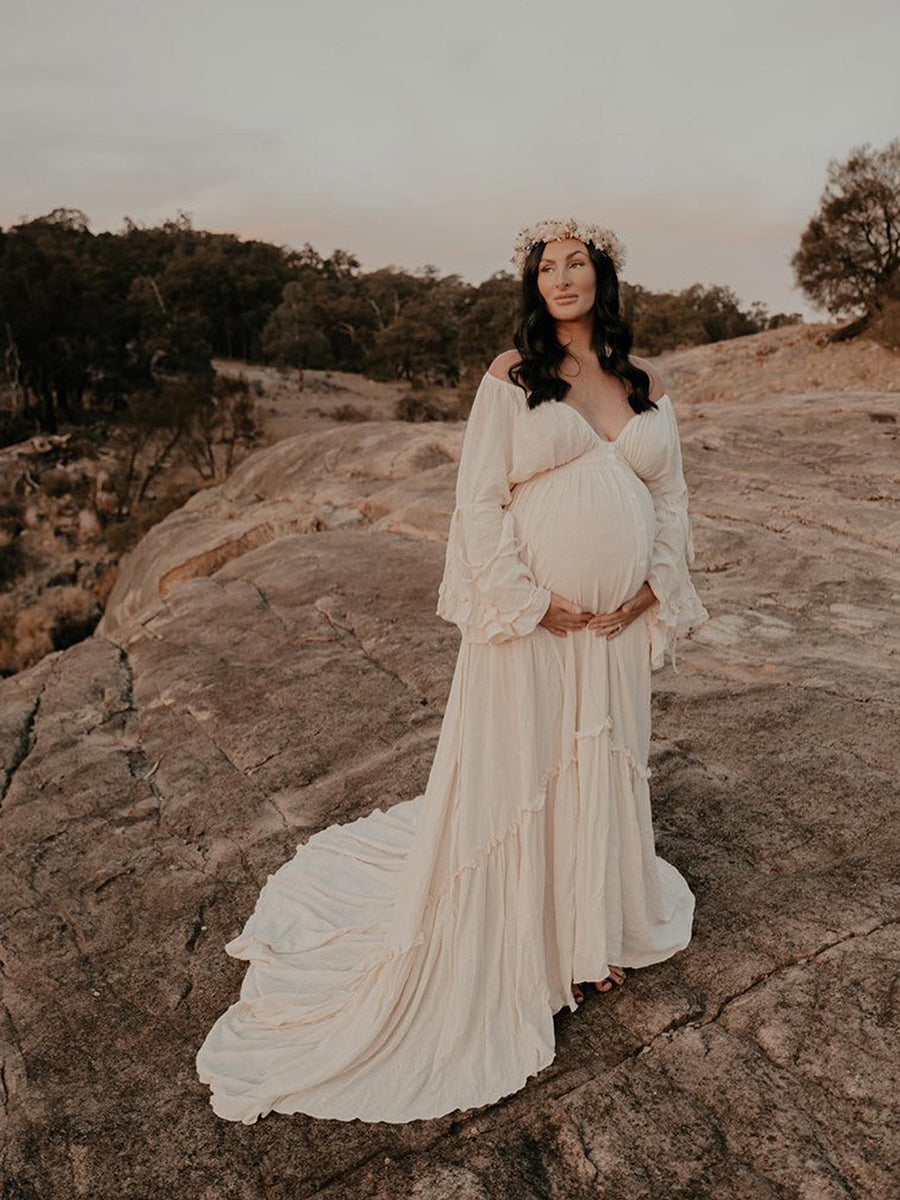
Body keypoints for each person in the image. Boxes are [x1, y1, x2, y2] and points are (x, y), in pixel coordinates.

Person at [195, 217, 709, 1125]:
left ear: (602, 276)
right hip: (538, 623)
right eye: (546, 268)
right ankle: (536, 947)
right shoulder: (514, 376)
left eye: (576, 264)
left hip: (614, 628)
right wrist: (529, 601)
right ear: (534, 286)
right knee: (533, 768)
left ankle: (591, 932)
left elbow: (668, 496)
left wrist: (651, 589)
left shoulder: (645, 383)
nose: (562, 278)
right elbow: (477, 502)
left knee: (600, 761)